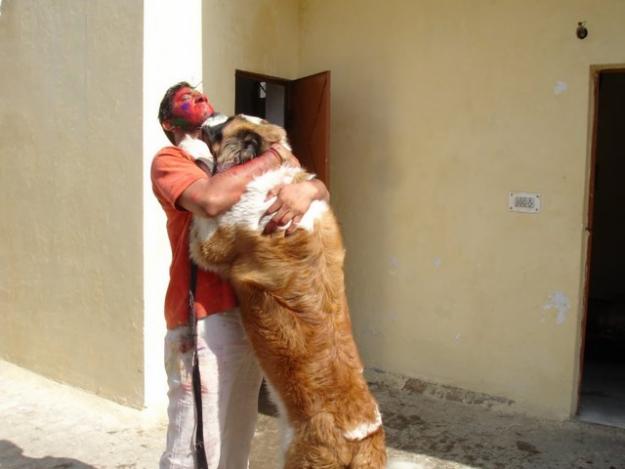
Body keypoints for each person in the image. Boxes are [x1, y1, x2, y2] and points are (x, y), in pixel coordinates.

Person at [151, 82, 329, 469]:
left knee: (236, 437)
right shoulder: (172, 159)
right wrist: (275, 156)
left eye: (199, 92)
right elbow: (210, 199)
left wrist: (309, 191)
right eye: (184, 96)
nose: (197, 95)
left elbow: (312, 184)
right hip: (200, 316)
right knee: (193, 444)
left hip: (250, 313)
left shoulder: (239, 151)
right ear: (169, 121)